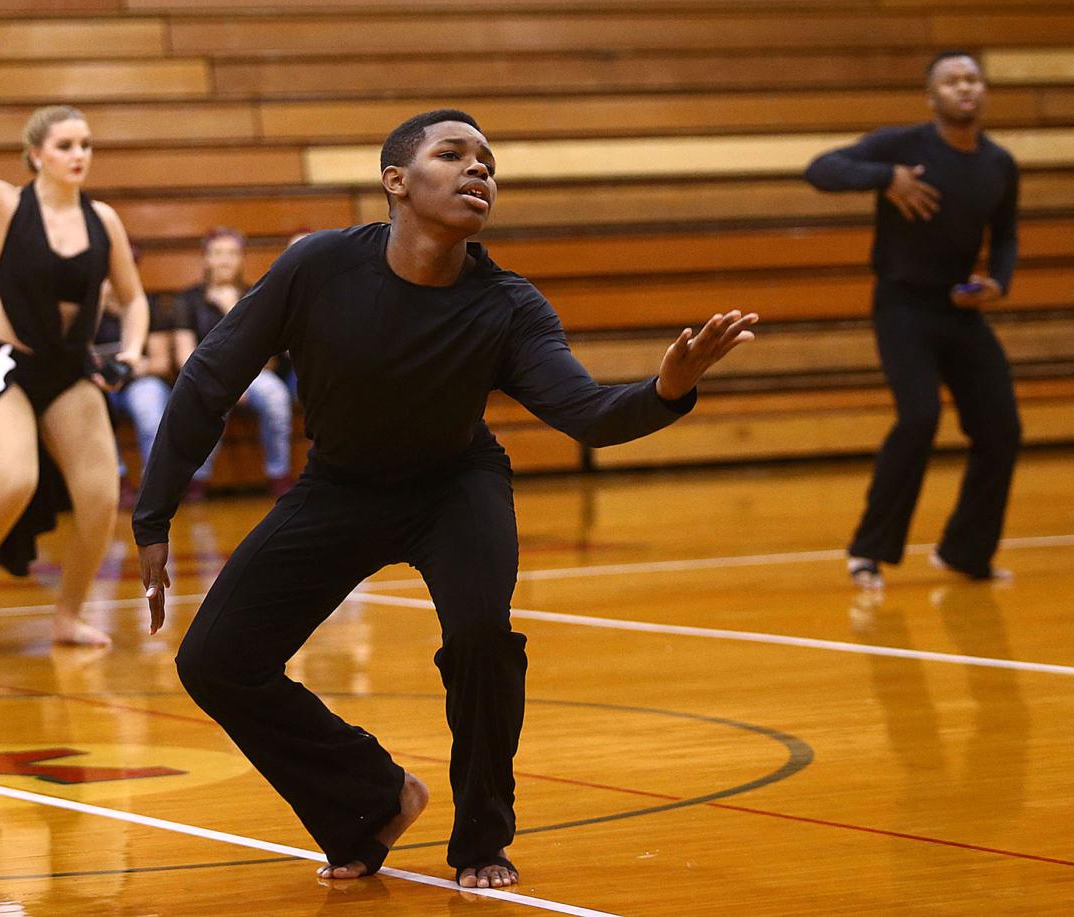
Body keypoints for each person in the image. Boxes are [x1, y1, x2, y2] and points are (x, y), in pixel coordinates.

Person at [134, 110, 758, 888]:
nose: (478, 170)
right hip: (341, 486)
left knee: (480, 640)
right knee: (215, 662)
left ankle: (483, 838)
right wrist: (153, 512)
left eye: (488, 162)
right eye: (454, 154)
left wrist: (666, 391)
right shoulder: (317, 267)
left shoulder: (508, 305)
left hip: (455, 487)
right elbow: (210, 377)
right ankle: (371, 799)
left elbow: (588, 414)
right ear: (395, 182)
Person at [0, 40, 149, 646]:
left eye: (86, 144)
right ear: (37, 155)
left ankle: (68, 614)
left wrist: (130, 349)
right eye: (66, 145)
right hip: (1, 365)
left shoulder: (104, 220)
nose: (80, 154)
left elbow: (135, 297)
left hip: (69, 370)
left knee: (102, 497)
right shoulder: (3, 205)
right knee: (15, 478)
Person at [805, 51, 1021, 590]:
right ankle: (868, 551)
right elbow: (821, 169)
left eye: (973, 79)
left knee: (1001, 431)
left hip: (961, 311)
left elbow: (1008, 233)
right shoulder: (901, 146)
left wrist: (998, 280)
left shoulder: (999, 163)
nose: (965, 87)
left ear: (984, 91)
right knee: (920, 417)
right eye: (952, 81)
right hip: (903, 307)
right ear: (932, 97)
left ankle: (965, 553)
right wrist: (886, 178)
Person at [171, 227, 294, 499]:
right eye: (217, 253)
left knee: (276, 395)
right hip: (206, 376)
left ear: (241, 259)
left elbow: (269, 359)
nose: (224, 261)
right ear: (205, 259)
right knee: (211, 398)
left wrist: (231, 311)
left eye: (231, 254)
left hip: (253, 374)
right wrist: (225, 383)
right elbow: (184, 358)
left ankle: (279, 474)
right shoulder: (187, 300)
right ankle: (198, 480)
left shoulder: (259, 295)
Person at [94, 269, 181, 507]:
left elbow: (161, 362)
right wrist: (97, 304)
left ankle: (154, 483)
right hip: (99, 384)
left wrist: (132, 366)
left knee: (149, 405)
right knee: (93, 405)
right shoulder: (88, 310)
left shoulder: (148, 306)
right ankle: (118, 480)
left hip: (139, 380)